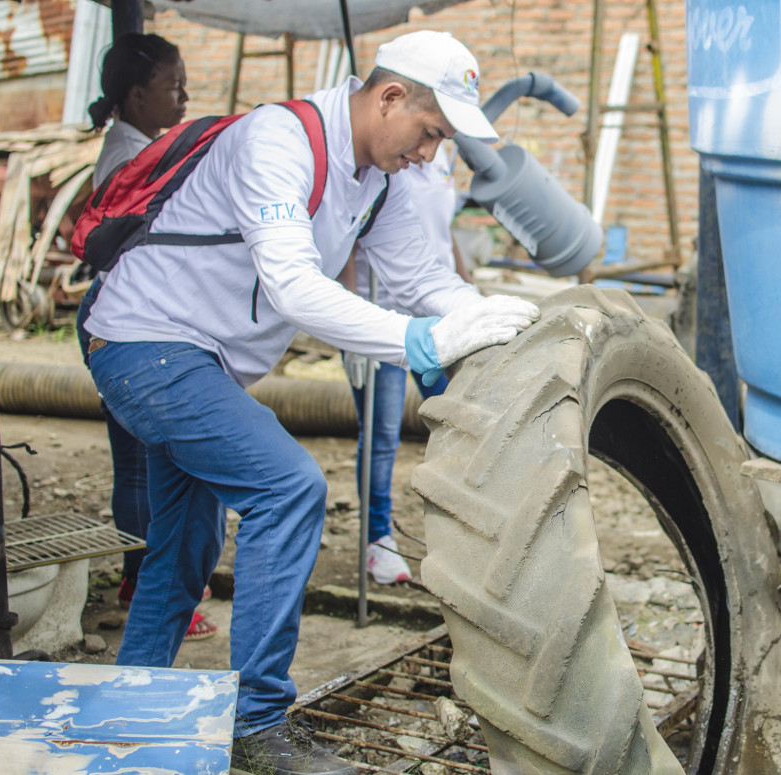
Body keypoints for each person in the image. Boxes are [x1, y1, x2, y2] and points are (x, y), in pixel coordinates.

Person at [82, 30, 539, 775]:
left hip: (203, 362)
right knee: (287, 486)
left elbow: (422, 283)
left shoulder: (379, 180)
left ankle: (134, 699)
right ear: (389, 97)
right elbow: (294, 284)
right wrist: (424, 343)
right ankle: (259, 724)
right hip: (145, 344)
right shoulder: (279, 139)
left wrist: (496, 323)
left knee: (187, 539)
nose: (429, 154)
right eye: (429, 133)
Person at [75, 32, 217, 641]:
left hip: (122, 314)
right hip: (123, 319)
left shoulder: (135, 146)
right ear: (136, 95)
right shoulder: (129, 158)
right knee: (140, 465)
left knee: (142, 461)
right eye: (172, 85)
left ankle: (149, 578)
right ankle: (143, 580)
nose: (183, 97)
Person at [344, 148, 467, 585]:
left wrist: (469, 287)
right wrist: (353, 315)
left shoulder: (442, 155)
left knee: (460, 424)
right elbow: (348, 235)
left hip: (438, 319)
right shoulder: (382, 157)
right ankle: (378, 539)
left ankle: (460, 532)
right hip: (385, 320)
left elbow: (442, 230)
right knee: (381, 434)